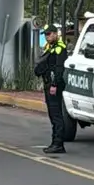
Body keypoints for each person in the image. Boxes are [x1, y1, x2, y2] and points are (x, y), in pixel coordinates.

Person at [33, 25, 69, 154]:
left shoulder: (60, 49)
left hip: (54, 86)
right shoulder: (50, 47)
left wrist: (54, 85)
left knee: (56, 115)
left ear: (55, 34)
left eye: (49, 34)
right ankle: (55, 142)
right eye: (46, 35)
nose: (47, 37)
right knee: (52, 115)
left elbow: (59, 69)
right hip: (48, 84)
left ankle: (58, 144)